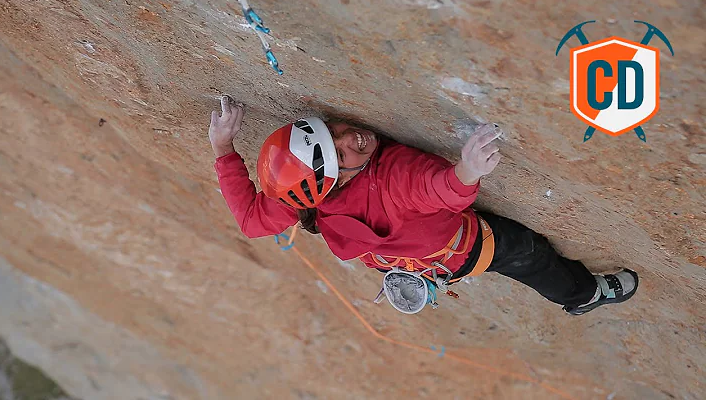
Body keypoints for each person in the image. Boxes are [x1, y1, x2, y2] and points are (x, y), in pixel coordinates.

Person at [209, 96, 638, 316]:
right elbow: (434, 189)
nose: (350, 140)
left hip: (398, 256)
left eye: (332, 132)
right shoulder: (390, 175)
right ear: (334, 180)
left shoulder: (305, 200)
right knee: (529, 254)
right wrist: (467, 172)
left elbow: (250, 220)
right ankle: (583, 295)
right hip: (463, 248)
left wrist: (223, 146)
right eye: (341, 156)